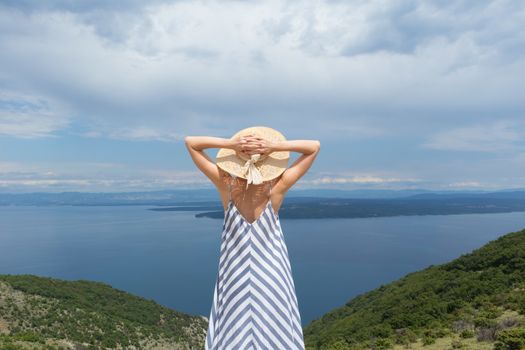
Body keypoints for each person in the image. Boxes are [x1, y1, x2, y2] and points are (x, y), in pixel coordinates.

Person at [185, 126, 320, 350]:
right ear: (268, 162)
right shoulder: (275, 189)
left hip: (234, 269)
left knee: (233, 321)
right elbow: (313, 147)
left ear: (236, 160)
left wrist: (231, 144)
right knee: (274, 320)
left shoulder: (226, 185)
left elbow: (191, 142)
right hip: (271, 269)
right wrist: (273, 147)